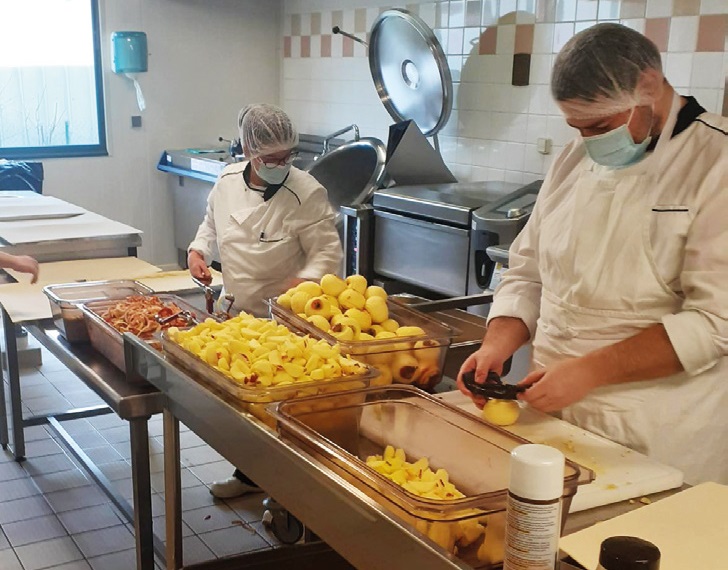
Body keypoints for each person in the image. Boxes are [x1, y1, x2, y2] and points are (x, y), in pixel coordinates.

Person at [458, 23, 728, 485]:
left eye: (601, 126)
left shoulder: (715, 161)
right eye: (577, 127)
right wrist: (497, 343)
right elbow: (528, 271)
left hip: (657, 432)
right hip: (552, 415)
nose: (590, 141)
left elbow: (714, 322)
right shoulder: (572, 159)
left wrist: (591, 371)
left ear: (650, 86)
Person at [188, 103, 343, 498]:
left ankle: (286, 491)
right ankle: (250, 476)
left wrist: (301, 282)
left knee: (280, 411)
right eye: (271, 158)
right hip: (236, 315)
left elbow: (328, 255)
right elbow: (209, 223)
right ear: (247, 152)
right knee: (242, 408)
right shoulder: (225, 182)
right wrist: (198, 252)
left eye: (287, 156)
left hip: (283, 322)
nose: (281, 163)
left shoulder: (306, 191)